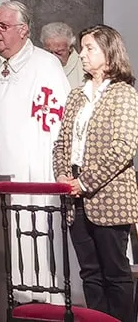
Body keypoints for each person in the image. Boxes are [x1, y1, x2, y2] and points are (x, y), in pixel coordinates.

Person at [0, 1, 73, 303]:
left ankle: (37, 290)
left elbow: (56, 126)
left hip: (29, 170)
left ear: (24, 30)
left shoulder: (46, 65)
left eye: (4, 26)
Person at [53, 25, 138, 322]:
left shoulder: (123, 94)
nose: (82, 54)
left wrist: (83, 182)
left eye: (90, 48)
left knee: (115, 274)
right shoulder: (77, 95)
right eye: (82, 47)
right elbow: (61, 142)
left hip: (109, 196)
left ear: (110, 54)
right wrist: (63, 178)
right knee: (89, 273)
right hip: (74, 197)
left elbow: (124, 147)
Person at [42, 22, 84, 89]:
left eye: (59, 52)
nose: (54, 57)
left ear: (70, 47)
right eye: (49, 52)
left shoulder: (83, 67)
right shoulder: (38, 65)